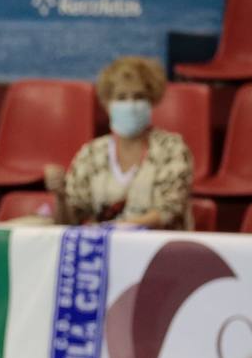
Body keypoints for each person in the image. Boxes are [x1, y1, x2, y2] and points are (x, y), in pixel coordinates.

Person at [43, 56, 193, 230]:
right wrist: (61, 196)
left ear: (151, 102)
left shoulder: (172, 149)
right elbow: (69, 222)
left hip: (159, 251)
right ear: (107, 104)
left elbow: (169, 211)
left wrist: (116, 229)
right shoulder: (91, 154)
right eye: (121, 97)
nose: (131, 105)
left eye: (139, 97)